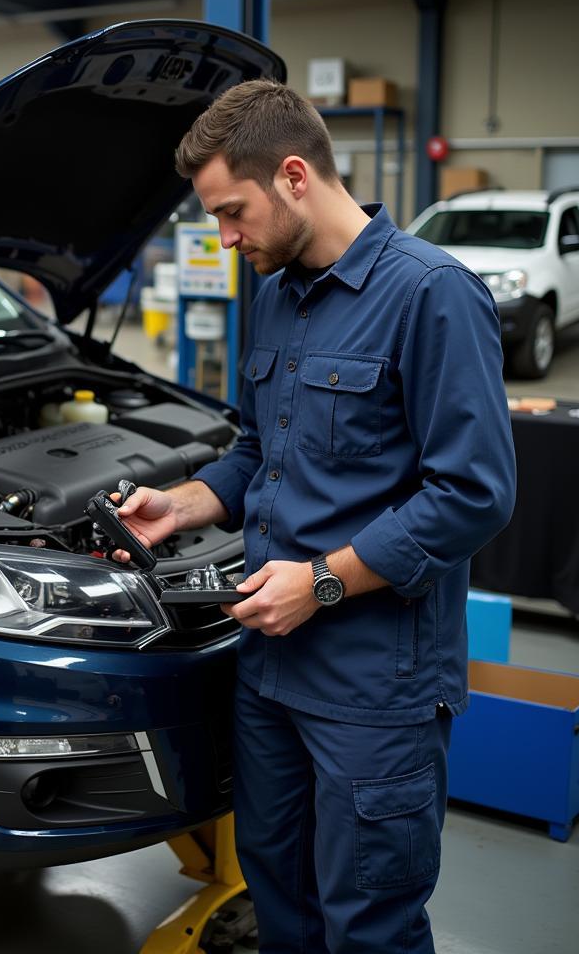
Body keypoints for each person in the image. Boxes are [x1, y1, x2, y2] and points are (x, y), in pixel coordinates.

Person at [111, 80, 516, 953]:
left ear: (294, 175)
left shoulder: (432, 295)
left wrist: (324, 582)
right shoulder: (276, 294)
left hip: (376, 689)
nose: (224, 239)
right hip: (269, 671)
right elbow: (259, 451)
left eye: (232, 212)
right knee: (277, 896)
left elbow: (475, 493)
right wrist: (176, 506)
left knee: (369, 920)